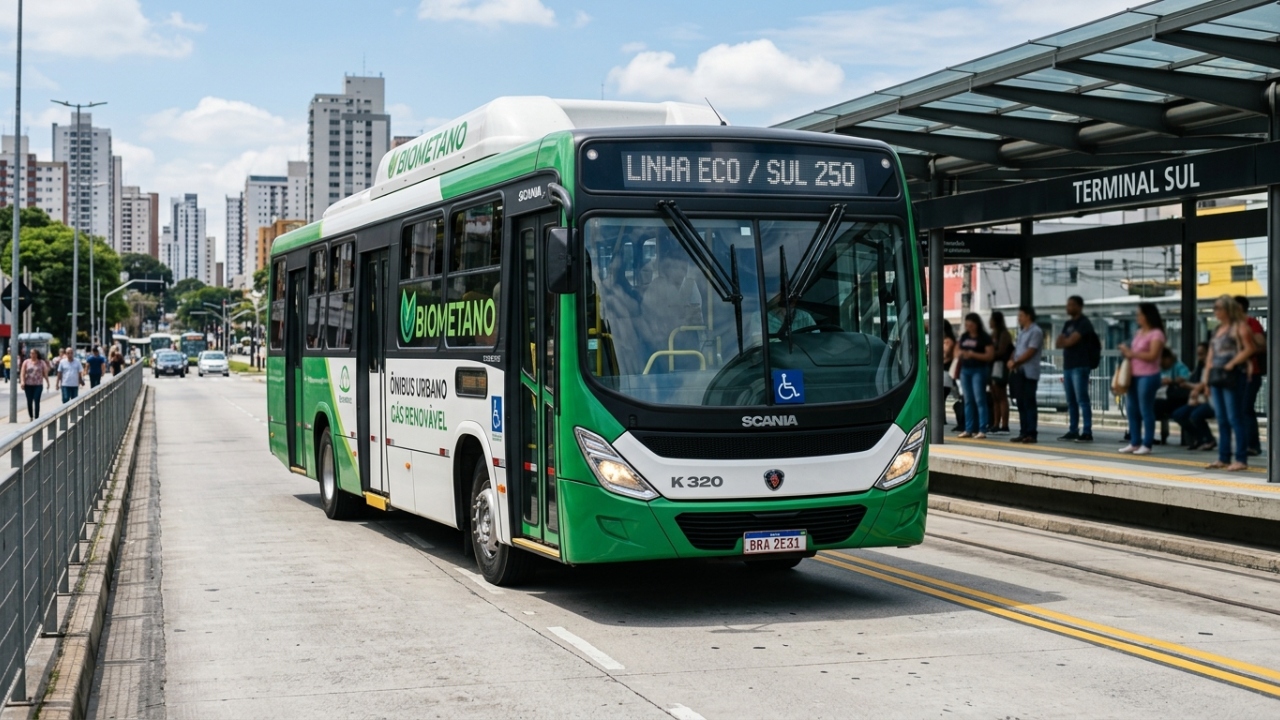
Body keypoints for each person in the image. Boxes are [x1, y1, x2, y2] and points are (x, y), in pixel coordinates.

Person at [1207, 295, 1256, 471]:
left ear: (1228, 309)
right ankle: (1223, 456)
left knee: (1235, 417)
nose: (1216, 311)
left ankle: (1241, 458)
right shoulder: (1217, 329)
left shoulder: (1239, 327)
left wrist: (1233, 362)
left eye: (1218, 307)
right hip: (1217, 375)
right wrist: (1206, 378)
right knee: (1221, 419)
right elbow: (1210, 355)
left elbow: (1250, 348)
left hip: (1233, 375)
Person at [1118, 303, 1167, 455]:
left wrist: (1132, 354)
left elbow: (1152, 355)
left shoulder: (1157, 334)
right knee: (1131, 409)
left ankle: (1147, 443)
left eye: (1140, 314)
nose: (1137, 317)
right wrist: (1127, 352)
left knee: (1146, 409)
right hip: (1134, 374)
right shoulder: (1139, 332)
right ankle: (1134, 442)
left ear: (1147, 316)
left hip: (1149, 375)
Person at [1056, 295, 1096, 443]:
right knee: (1071, 400)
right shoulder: (1068, 324)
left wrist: (1066, 341)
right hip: (1068, 365)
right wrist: (1066, 341)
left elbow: (1072, 340)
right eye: (1068, 304)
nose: (1068, 307)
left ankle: (1087, 431)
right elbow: (1059, 342)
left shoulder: (1084, 323)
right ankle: (1073, 430)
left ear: (1079, 306)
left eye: (1071, 305)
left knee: (1082, 399)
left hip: (1080, 365)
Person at [1007, 306, 1044, 443]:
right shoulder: (1022, 332)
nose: (1019, 318)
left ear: (1028, 316)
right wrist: (1011, 360)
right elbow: (1017, 349)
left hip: (1029, 372)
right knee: (1021, 402)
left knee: (1029, 402)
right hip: (1019, 371)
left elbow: (1031, 351)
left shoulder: (1036, 331)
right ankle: (1023, 432)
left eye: (1021, 315)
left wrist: (1016, 362)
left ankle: (1031, 433)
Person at [956, 313, 994, 439]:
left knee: (979, 399)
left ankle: (982, 428)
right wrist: (961, 354)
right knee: (968, 400)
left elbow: (989, 355)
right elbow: (956, 351)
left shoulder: (984, 338)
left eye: (971, 325)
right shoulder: (964, 336)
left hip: (979, 369)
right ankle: (968, 428)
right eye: (967, 325)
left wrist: (973, 355)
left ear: (977, 325)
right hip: (965, 369)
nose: (969, 327)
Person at [1235, 296, 1265, 457]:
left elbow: (1262, 345)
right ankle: (1244, 443)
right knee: (1239, 409)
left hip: (1252, 372)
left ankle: (1253, 445)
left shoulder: (1251, 323)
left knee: (1246, 408)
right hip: (1236, 374)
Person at [1172, 343, 1216, 451]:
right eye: (1198, 355)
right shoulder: (1200, 367)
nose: (1200, 358)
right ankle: (1199, 438)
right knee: (1179, 414)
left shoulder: (1213, 367)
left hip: (1211, 400)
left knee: (1195, 415)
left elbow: (1204, 384)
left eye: (1202, 354)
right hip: (1200, 400)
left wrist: (1191, 386)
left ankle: (1208, 439)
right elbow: (1198, 383)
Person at [1154, 348, 1192, 444]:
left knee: (1154, 405)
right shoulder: (1159, 369)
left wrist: (1173, 381)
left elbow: (1185, 378)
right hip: (1161, 397)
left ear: (1168, 359)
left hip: (1175, 398)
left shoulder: (1179, 367)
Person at [988, 312, 1013, 435]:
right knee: (995, 397)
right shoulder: (993, 334)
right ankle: (995, 423)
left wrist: (990, 354)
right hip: (993, 366)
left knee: (1001, 396)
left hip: (1000, 365)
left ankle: (1005, 425)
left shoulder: (1004, 334)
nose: (989, 322)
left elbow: (1001, 351)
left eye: (991, 320)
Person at [20, 349, 51, 421]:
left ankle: (36, 417)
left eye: (34, 353)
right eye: (31, 353)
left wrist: (48, 382)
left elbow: (45, 374)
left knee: (37, 400)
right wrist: (22, 382)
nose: (32, 355)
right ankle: (31, 416)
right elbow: (22, 373)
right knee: (29, 401)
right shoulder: (26, 362)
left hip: (38, 385)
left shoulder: (41, 362)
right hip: (28, 384)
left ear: (37, 354)